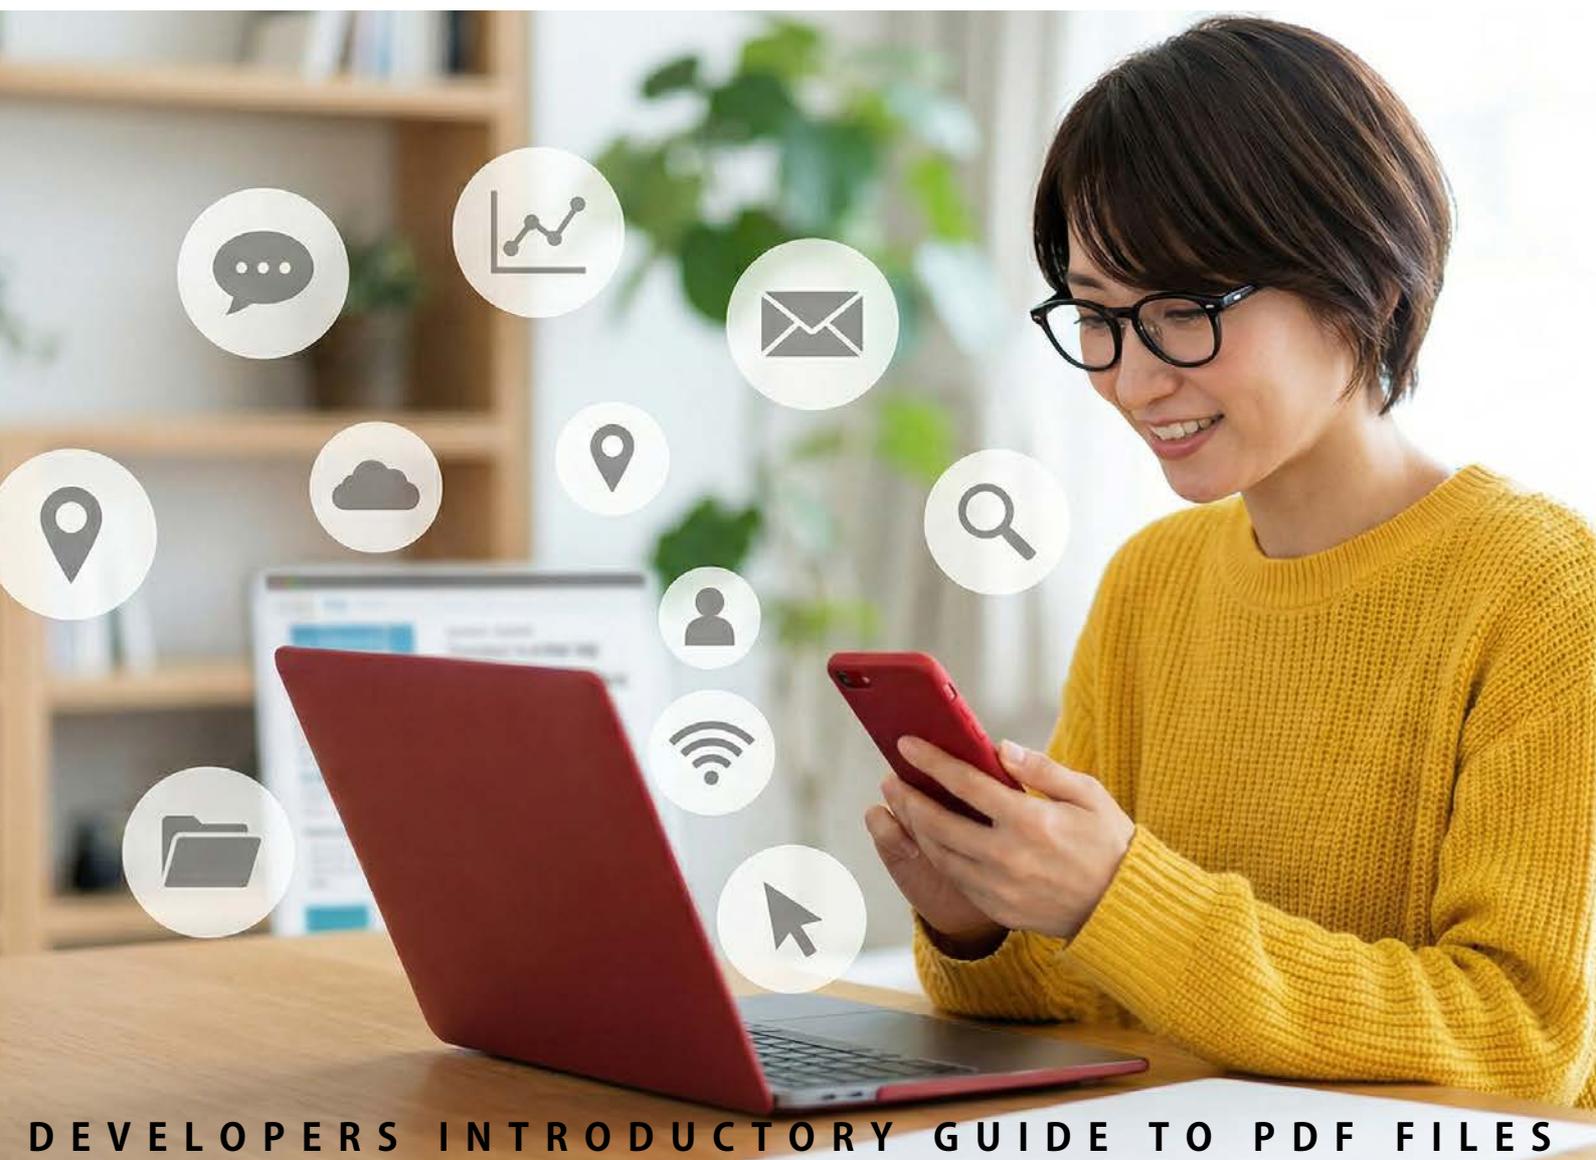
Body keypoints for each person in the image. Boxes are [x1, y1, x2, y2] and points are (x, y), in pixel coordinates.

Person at [865, 15, 1596, 1108]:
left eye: (1183, 311)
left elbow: (1524, 1037)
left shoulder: (1545, 592)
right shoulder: (1152, 579)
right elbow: (1086, 993)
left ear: (1365, 277)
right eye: (1100, 317)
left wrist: (1122, 890)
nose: (1132, 377)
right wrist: (978, 913)